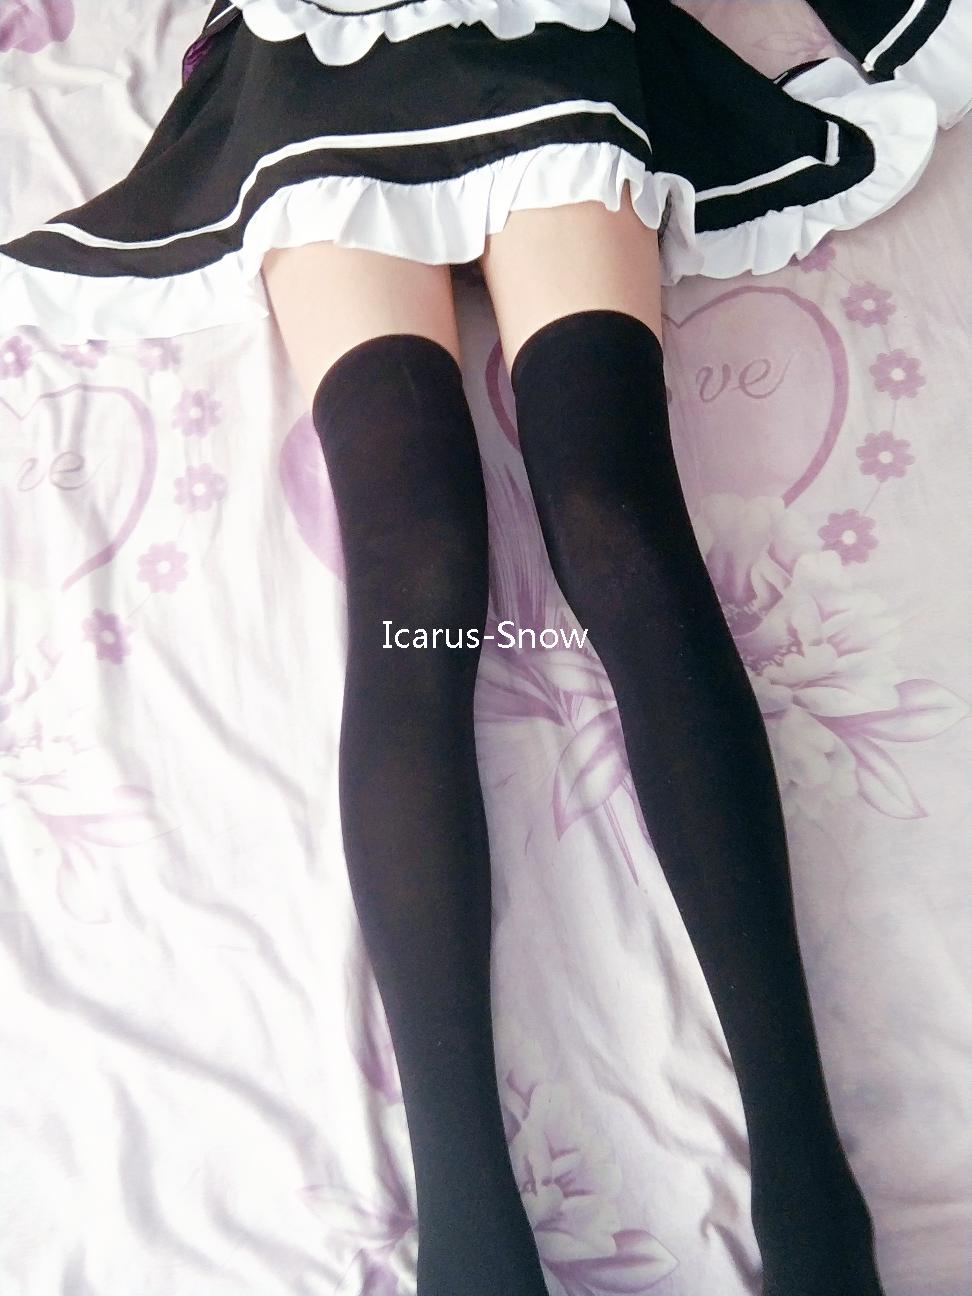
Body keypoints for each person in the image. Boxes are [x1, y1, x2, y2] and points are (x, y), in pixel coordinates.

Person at [1, 2, 969, 1290]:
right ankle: (467, 1210)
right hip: (314, 59)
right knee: (417, 564)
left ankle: (804, 1164)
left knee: (617, 517)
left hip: (537, 33)